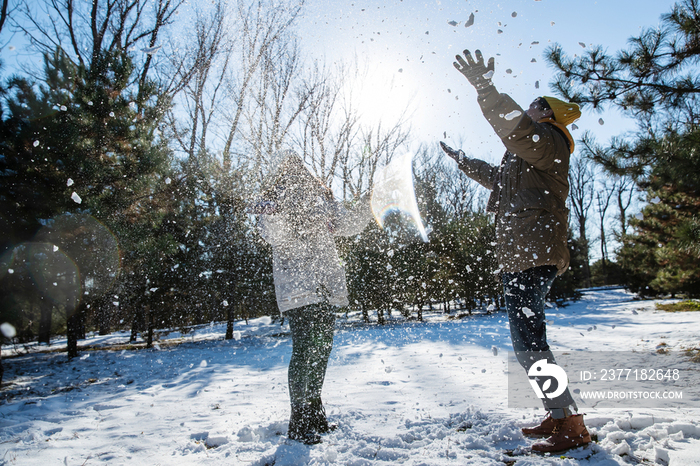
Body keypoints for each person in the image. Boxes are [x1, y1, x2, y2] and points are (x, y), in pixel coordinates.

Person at [439, 49, 591, 453]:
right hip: (521, 255)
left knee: (529, 343)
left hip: (533, 254)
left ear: (549, 115)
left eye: (535, 106)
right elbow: (498, 179)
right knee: (528, 341)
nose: (528, 108)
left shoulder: (552, 143)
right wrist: (463, 161)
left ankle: (571, 424)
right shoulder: (529, 158)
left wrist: (485, 88)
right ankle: (560, 414)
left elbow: (517, 130)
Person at [255, 150, 372, 445]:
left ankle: (314, 411)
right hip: (296, 287)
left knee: (321, 349)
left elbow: (347, 225)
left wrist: (370, 202)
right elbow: (273, 234)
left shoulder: (321, 199)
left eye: (298, 166)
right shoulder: (275, 199)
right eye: (289, 167)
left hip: (323, 286)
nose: (295, 171)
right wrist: (274, 214)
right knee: (306, 350)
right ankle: (299, 419)